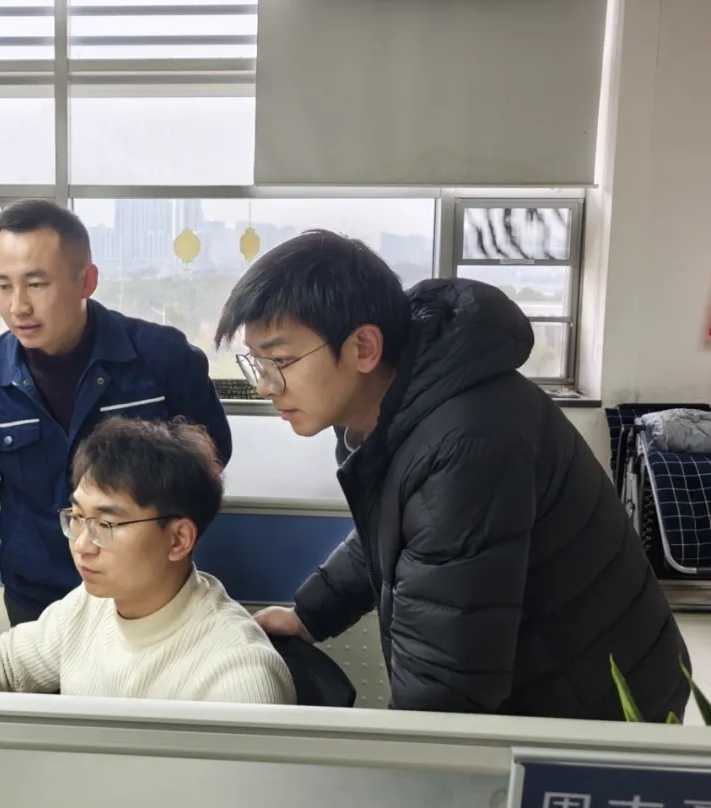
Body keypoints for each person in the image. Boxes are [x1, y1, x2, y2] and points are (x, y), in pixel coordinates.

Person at [214, 229, 691, 721]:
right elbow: (399, 528)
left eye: (280, 361)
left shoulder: (465, 443)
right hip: (564, 674)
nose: (265, 387)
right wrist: (310, 614)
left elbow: (444, 694)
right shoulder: (399, 403)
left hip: (602, 703)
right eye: (257, 364)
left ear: (363, 347)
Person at [0, 200, 232, 685]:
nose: (18, 306)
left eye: (36, 284)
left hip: (147, 601)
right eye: (3, 285)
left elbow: (206, 465)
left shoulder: (162, 360)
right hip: (36, 600)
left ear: (86, 281)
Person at [0, 416, 295, 705]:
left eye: (106, 524)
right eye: (77, 517)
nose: (81, 546)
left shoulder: (238, 678)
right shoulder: (90, 605)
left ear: (178, 539)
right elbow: (5, 663)